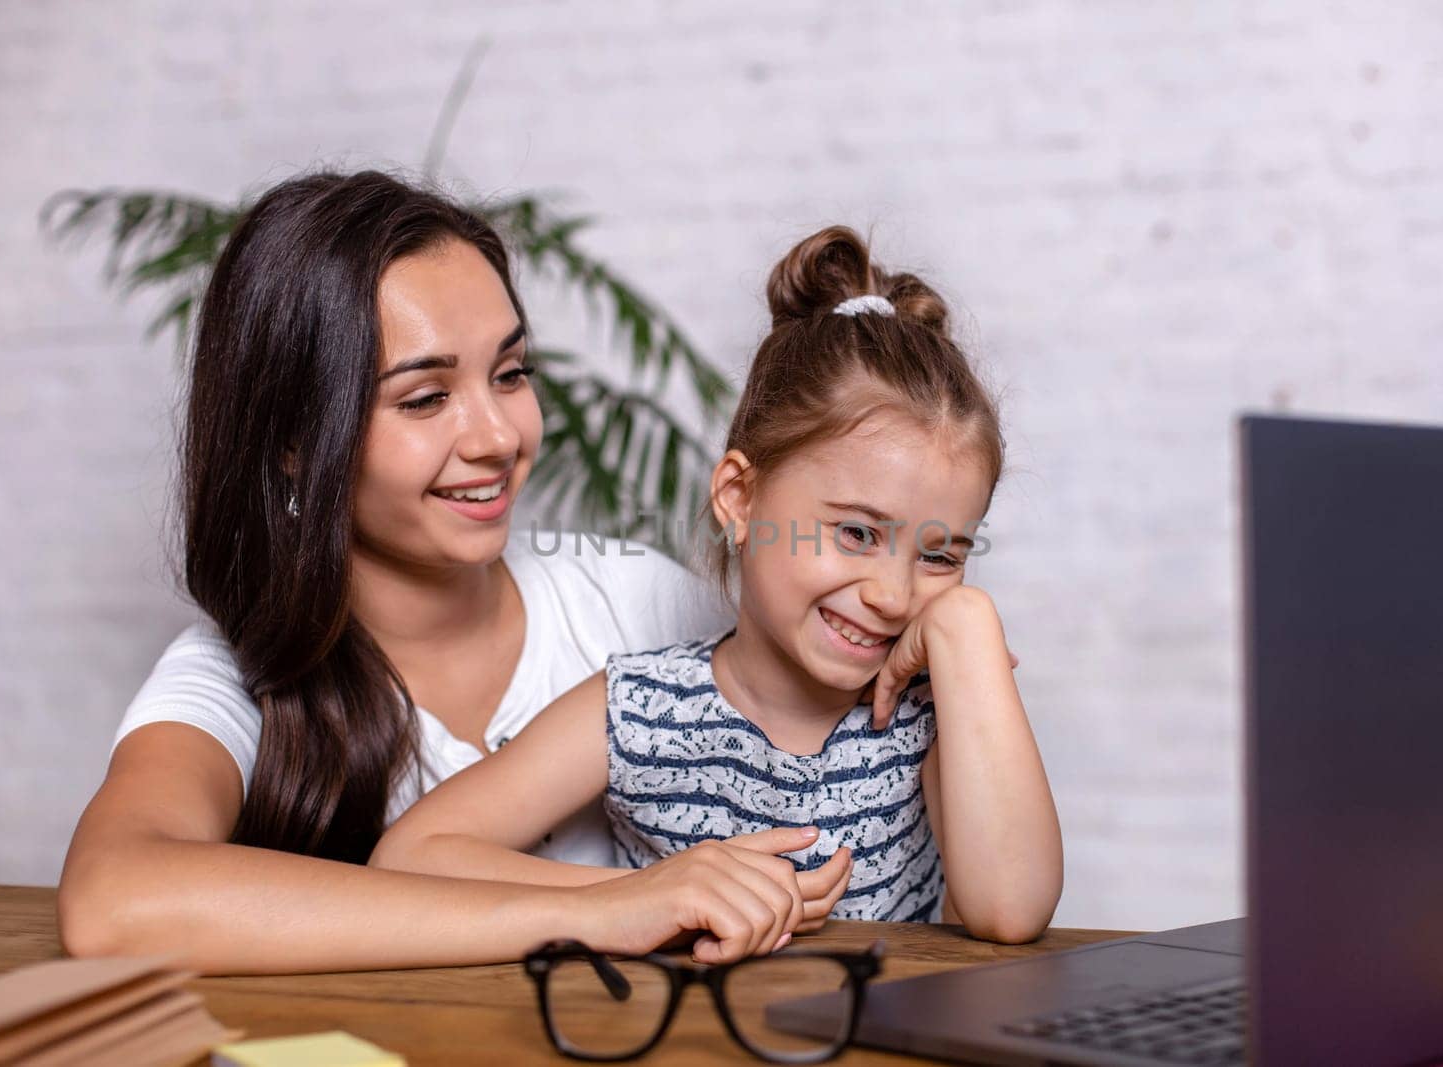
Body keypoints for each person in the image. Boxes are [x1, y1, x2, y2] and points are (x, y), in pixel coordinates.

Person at [57, 171, 852, 974]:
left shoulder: (634, 602)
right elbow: (113, 899)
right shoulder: (238, 678)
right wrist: (607, 905)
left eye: (510, 375)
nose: (498, 436)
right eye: (426, 398)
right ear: (295, 442)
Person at [371, 226, 1064, 946]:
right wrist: (652, 894)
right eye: (857, 533)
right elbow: (411, 857)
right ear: (739, 496)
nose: (893, 594)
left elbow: (1011, 910)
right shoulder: (640, 708)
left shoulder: (929, 712)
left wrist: (966, 626)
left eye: (942, 555)